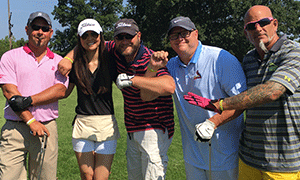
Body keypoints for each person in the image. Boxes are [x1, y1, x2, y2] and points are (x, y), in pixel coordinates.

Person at [184, 5, 300, 180]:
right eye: (251, 26)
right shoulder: (248, 59)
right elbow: (243, 101)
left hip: (283, 161)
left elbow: (273, 91)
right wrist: (213, 121)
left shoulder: (293, 52)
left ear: (275, 24)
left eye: (263, 22)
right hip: (248, 157)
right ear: (246, 33)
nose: (258, 28)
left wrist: (221, 104)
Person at [58, 18, 175, 180]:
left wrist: (132, 79)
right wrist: (68, 58)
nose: (125, 41)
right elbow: (86, 44)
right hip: (133, 128)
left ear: (139, 36)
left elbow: (169, 86)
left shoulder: (150, 58)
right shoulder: (116, 51)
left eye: (129, 36)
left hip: (153, 127)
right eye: (120, 37)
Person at [151, 16, 247, 180]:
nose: (180, 38)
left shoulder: (221, 59)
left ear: (195, 33)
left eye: (184, 33)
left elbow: (242, 101)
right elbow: (148, 93)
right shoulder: (172, 65)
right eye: (174, 35)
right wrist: (152, 68)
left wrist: (213, 122)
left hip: (226, 155)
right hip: (193, 156)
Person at [0, 11, 68, 180]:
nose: (40, 32)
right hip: (15, 129)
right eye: (35, 27)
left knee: (45, 178)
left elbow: (60, 91)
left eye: (45, 28)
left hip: (46, 128)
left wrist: (27, 101)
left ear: (51, 32)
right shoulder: (10, 56)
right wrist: (31, 121)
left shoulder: (59, 61)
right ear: (27, 29)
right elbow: (10, 92)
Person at [63, 18, 120, 180]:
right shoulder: (75, 64)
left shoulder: (111, 60)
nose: (90, 39)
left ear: (100, 36)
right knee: (87, 175)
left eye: (94, 34)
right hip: (82, 124)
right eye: (85, 35)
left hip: (106, 124)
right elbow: (65, 93)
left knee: (101, 177)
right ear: (79, 39)